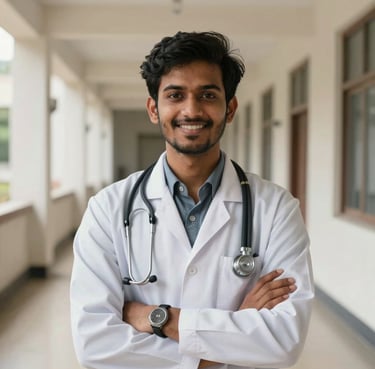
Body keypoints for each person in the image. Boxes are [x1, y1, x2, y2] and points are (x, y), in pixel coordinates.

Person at [70, 31, 314, 369]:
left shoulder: (276, 209)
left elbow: (283, 340)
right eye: (175, 94)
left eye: (208, 95)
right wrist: (219, 351)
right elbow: (94, 344)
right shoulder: (107, 209)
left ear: (229, 108)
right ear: (154, 109)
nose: (191, 109)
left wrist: (162, 319)